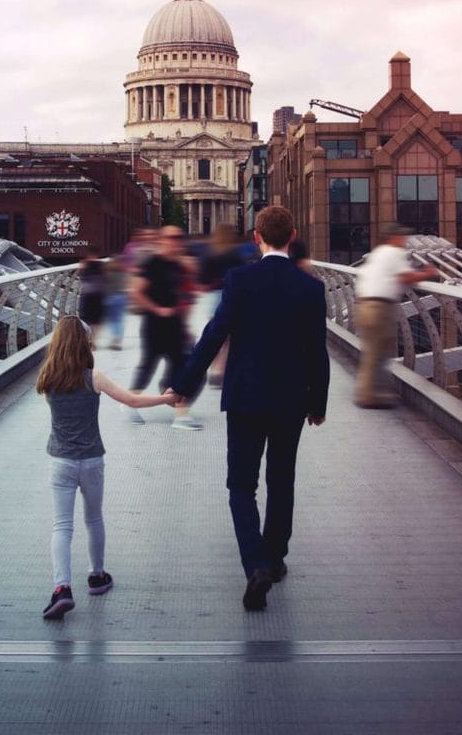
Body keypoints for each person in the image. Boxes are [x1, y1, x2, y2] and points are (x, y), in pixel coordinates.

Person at [166, 205, 329, 611]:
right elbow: (318, 352)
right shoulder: (310, 287)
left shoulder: (239, 280)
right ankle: (274, 559)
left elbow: (213, 334)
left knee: (241, 485)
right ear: (291, 236)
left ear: (256, 237)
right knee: (282, 480)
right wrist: (318, 402)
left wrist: (185, 383)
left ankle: (254, 563)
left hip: (245, 396)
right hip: (291, 397)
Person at [36, 316, 178, 620]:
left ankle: (62, 588)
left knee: (62, 525)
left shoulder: (48, 375)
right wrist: (165, 398)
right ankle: (97, 576)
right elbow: (131, 400)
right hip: (91, 461)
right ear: (86, 343)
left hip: (60, 461)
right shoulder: (94, 377)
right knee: (93, 518)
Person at [353, 224, 440, 409]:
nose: (404, 241)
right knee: (378, 352)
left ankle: (373, 391)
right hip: (380, 307)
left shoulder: (377, 254)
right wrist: (428, 273)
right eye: (402, 238)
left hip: (364, 305)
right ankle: (368, 396)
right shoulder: (395, 253)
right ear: (394, 238)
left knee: (374, 350)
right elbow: (405, 277)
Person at [129, 225, 202, 430]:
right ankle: (129, 402)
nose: (176, 241)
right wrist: (158, 309)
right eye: (172, 237)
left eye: (179, 237)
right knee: (148, 366)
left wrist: (186, 326)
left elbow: (183, 297)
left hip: (175, 326)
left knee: (185, 368)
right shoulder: (152, 263)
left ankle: (180, 414)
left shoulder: (178, 266)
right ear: (162, 240)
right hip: (154, 325)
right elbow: (136, 292)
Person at [197, 226, 248, 387]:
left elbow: (202, 279)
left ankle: (215, 367)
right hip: (229, 296)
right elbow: (242, 274)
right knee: (228, 337)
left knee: (215, 333)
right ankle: (219, 369)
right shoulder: (235, 254)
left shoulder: (209, 253)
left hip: (212, 297)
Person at [76, 254, 106, 345]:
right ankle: (94, 340)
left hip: (86, 296)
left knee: (85, 318)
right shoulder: (101, 265)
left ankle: (87, 339)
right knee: (96, 320)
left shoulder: (84, 264)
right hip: (98, 296)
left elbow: (82, 279)